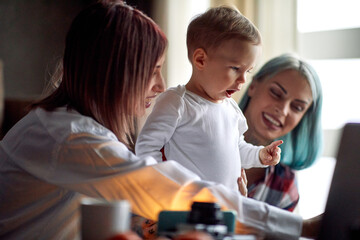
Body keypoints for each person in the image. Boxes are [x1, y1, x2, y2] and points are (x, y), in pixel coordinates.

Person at [0, 1, 320, 239]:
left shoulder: (75, 129)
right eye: (152, 70)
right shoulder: (70, 137)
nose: (160, 85)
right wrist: (302, 226)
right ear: (115, 73)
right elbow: (165, 187)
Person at [135, 6, 282, 192]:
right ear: (201, 60)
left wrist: (260, 155)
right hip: (189, 208)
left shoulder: (231, 109)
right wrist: (165, 188)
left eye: (248, 71)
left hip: (228, 206)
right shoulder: (177, 102)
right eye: (235, 68)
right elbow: (147, 147)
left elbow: (238, 149)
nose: (243, 79)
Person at [237, 53, 323, 211]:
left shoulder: (286, 188)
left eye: (297, 107)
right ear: (253, 86)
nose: (283, 110)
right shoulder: (201, 136)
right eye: (276, 93)